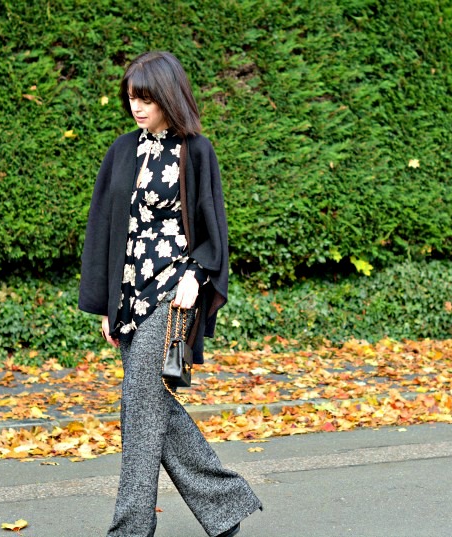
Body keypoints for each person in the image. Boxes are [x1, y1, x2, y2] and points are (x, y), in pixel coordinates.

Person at [78, 50, 262, 537]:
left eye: (147, 98)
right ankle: (226, 507)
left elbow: (213, 229)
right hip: (130, 295)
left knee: (139, 408)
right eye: (132, 97)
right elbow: (104, 227)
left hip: (172, 291)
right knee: (149, 406)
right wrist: (106, 304)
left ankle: (129, 529)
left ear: (169, 96)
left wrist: (196, 274)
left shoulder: (195, 151)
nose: (137, 106)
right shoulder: (122, 150)